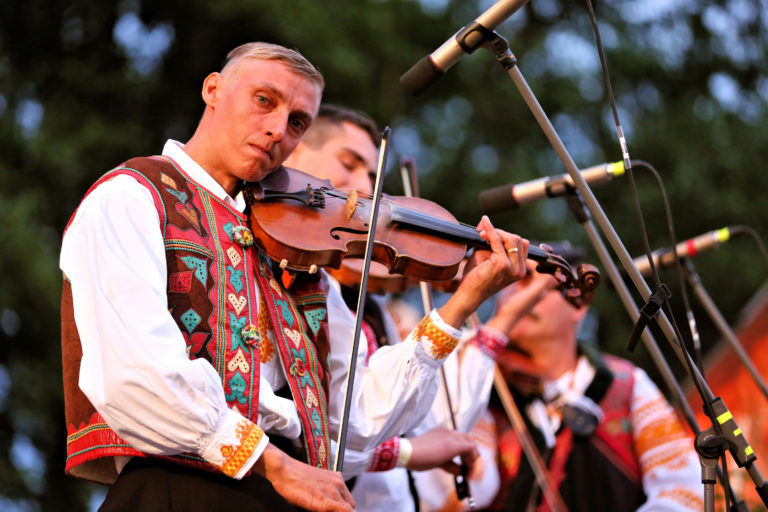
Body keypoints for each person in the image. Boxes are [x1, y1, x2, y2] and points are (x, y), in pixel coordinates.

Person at [60, 42, 529, 512]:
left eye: (298, 121)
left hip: (289, 493)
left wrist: (459, 306)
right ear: (213, 89)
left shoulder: (299, 253)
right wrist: (276, 465)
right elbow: (134, 375)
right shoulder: (132, 196)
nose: (277, 130)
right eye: (264, 100)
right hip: (180, 487)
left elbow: (356, 417)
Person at [285, 104, 505, 511]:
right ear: (292, 151)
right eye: (349, 164)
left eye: (373, 175)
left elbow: (425, 422)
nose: (366, 187)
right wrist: (404, 454)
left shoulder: (362, 302)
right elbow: (316, 440)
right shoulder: (293, 276)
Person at [482, 246, 704, 511]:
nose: (517, 297)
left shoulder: (628, 384)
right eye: (508, 285)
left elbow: (684, 492)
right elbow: (457, 492)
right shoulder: (481, 386)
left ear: (579, 305)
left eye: (532, 283)